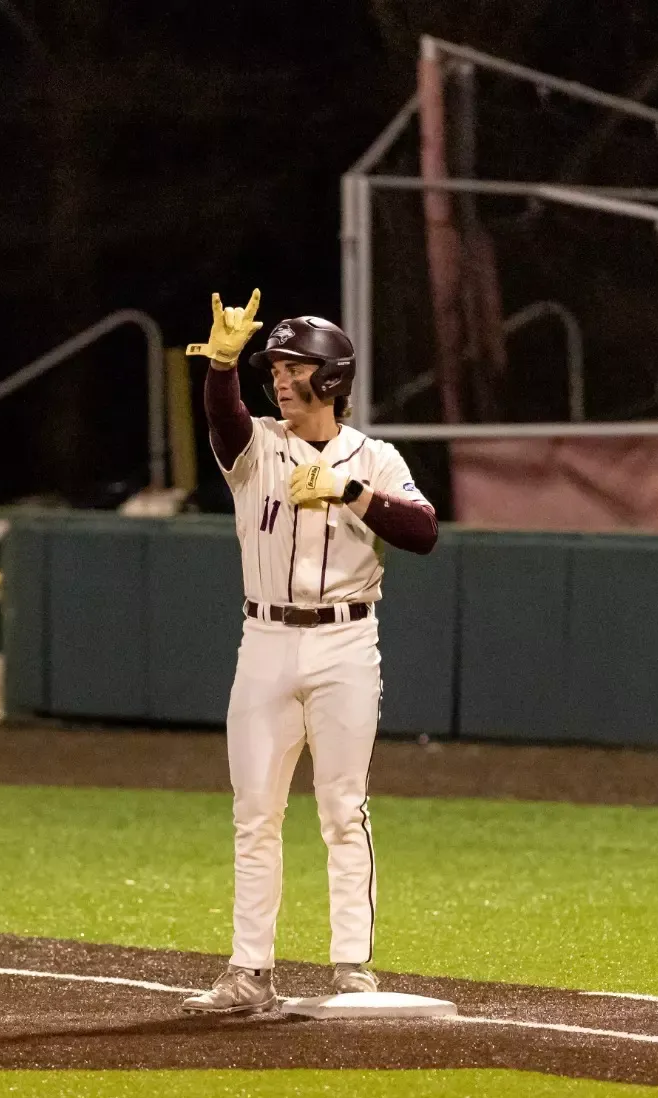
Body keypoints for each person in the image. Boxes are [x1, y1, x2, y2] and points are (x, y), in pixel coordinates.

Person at [180, 291, 438, 1015]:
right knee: (254, 810)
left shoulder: (375, 458)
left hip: (347, 641)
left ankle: (352, 966)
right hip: (264, 640)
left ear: (331, 377)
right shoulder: (257, 444)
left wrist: (348, 491)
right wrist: (222, 366)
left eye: (294, 367)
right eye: (276, 368)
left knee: (342, 807)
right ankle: (248, 971)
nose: (281, 380)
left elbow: (423, 532)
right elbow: (223, 417)